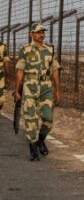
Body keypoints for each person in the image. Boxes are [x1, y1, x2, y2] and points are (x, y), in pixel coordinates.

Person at [14, 23, 61, 161]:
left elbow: (55, 71)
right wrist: (17, 90)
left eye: (43, 32)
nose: (42, 35)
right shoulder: (25, 50)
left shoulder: (50, 50)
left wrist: (58, 91)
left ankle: (40, 140)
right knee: (31, 118)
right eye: (38, 32)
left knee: (48, 118)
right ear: (32, 34)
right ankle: (33, 148)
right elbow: (20, 71)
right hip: (30, 85)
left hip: (46, 86)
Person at [0, 39, 9, 113]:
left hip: (0, 76)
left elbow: (6, 62)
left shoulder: (3, 47)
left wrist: (7, 77)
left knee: (1, 100)